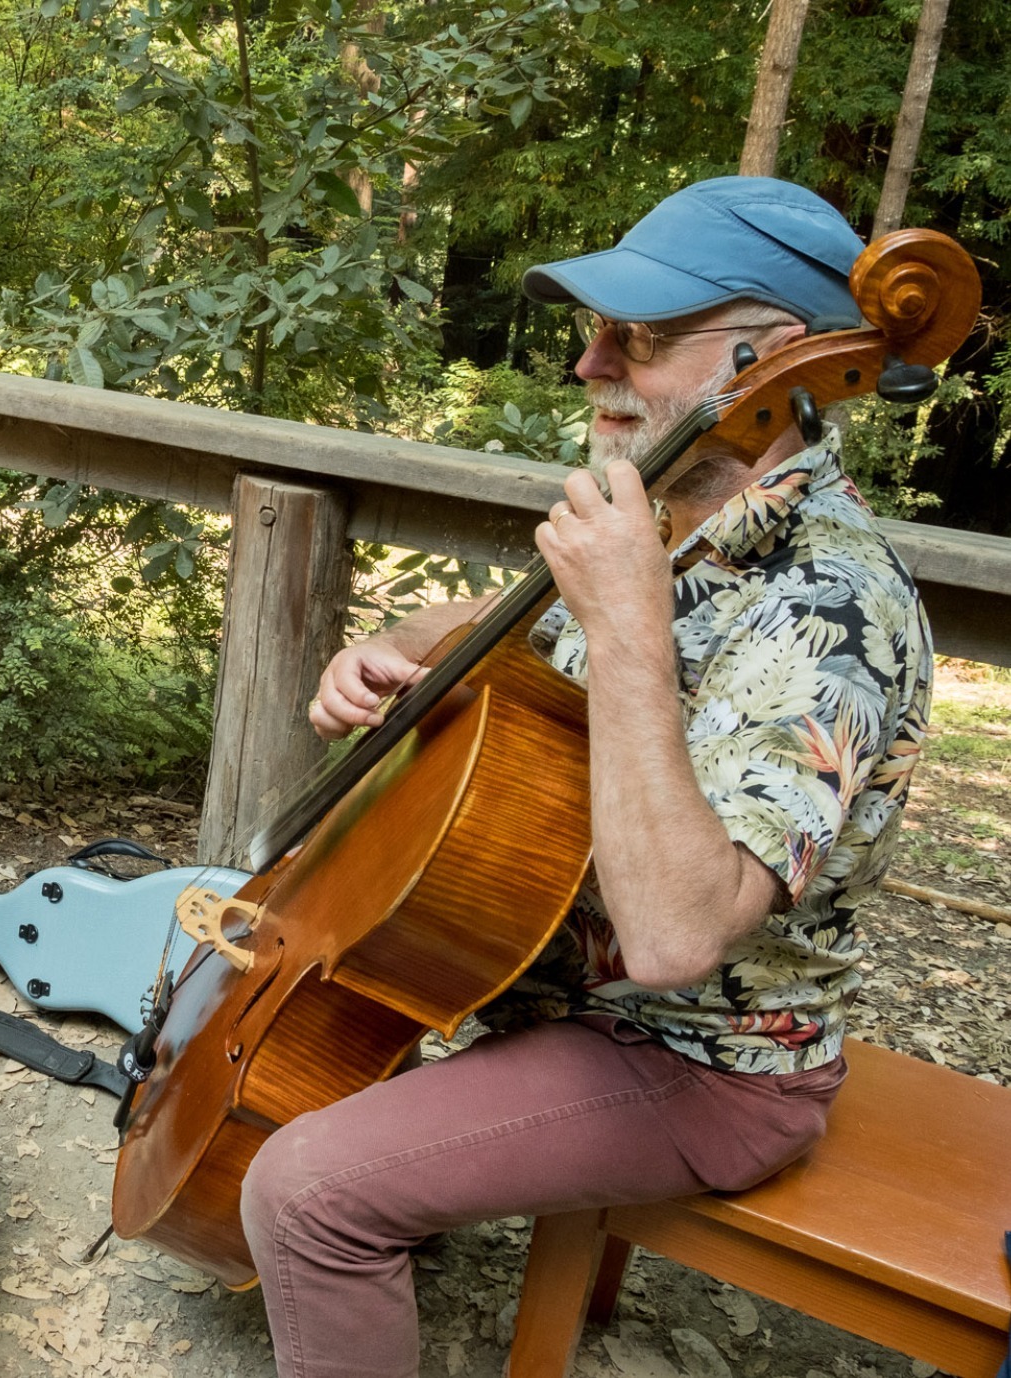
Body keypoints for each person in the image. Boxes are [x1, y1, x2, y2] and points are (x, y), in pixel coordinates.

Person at [239, 177, 934, 1376]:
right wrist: (407, 644)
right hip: (545, 987)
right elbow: (550, 656)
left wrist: (625, 626)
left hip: (696, 1057)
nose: (588, 365)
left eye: (640, 336)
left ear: (767, 361)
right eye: (594, 329)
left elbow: (676, 937)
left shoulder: (835, 612)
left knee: (305, 1193)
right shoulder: (680, 509)